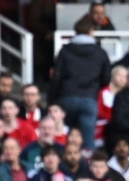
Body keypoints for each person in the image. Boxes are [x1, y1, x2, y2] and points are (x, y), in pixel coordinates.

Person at [48, 19, 111, 151]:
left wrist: (52, 100)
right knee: (88, 143)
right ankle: (88, 168)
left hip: (66, 98)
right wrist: (94, 87)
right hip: (89, 99)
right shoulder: (100, 52)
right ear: (90, 32)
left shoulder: (64, 51)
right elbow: (106, 78)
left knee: (64, 138)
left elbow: (56, 77)